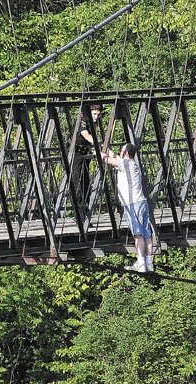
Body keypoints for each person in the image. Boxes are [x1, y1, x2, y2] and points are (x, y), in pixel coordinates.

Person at [100, 143, 153, 272]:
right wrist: (106, 149)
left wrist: (99, 153)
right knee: (147, 234)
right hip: (142, 202)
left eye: (121, 150)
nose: (120, 152)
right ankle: (149, 263)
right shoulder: (133, 164)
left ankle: (140, 263)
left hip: (133, 204)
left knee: (138, 235)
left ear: (125, 153)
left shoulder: (126, 164)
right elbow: (117, 157)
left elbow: (109, 160)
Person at [70, 104, 102, 217]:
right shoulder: (83, 119)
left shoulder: (92, 121)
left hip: (84, 153)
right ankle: (80, 213)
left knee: (85, 182)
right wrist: (97, 143)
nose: (96, 117)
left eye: (98, 114)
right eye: (94, 114)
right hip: (76, 154)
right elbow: (85, 134)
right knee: (77, 182)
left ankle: (84, 210)